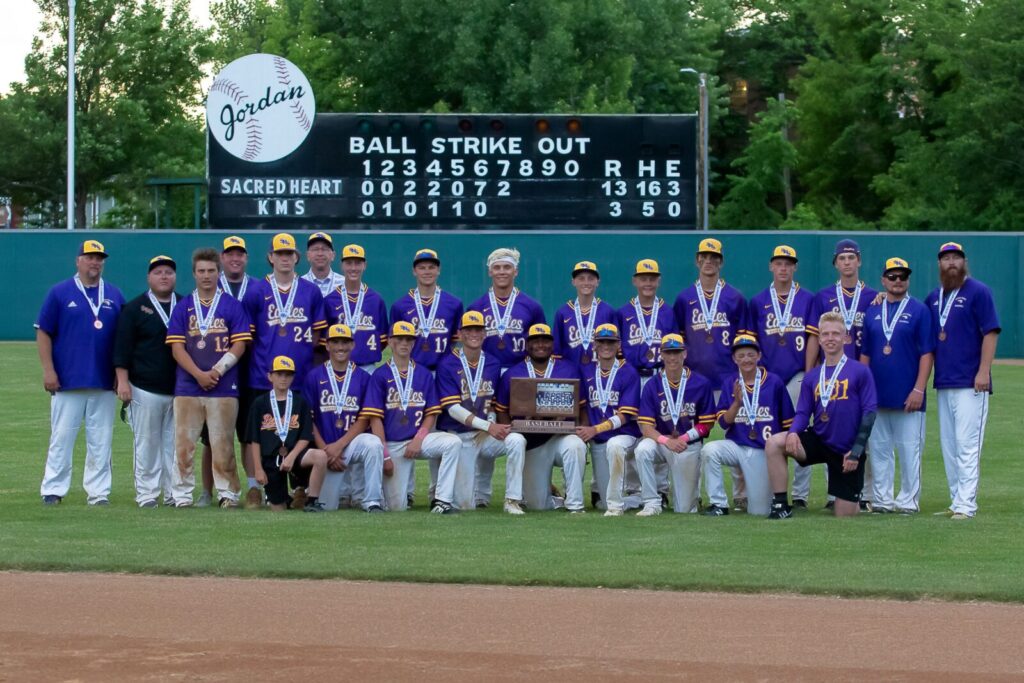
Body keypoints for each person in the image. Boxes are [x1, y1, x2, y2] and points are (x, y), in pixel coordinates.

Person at [37, 240, 125, 505]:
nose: (95, 262)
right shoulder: (60, 292)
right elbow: (43, 332)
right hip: (68, 379)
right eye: (89, 257)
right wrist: (49, 371)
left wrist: (121, 375)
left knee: (101, 440)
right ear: (78, 261)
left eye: (99, 258)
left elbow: (124, 338)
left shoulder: (114, 295)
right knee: (62, 437)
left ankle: (98, 493)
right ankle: (53, 489)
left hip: (103, 380)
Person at [765, 311, 878, 518]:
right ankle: (780, 505)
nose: (830, 338)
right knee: (774, 443)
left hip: (846, 449)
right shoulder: (813, 376)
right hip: (819, 439)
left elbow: (869, 414)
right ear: (819, 339)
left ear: (846, 338)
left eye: (836, 334)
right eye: (825, 334)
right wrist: (793, 432)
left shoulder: (860, 371)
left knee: (845, 515)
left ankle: (854, 499)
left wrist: (856, 450)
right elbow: (802, 412)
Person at [166, 248, 251, 508]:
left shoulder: (232, 305)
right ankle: (181, 495)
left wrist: (217, 371)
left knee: (222, 443)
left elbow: (240, 344)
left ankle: (228, 494)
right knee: (184, 444)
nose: (206, 276)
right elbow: (177, 348)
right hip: (187, 387)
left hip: (223, 386)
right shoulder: (183, 307)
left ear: (218, 272)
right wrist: (198, 374)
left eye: (211, 271)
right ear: (194, 274)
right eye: (201, 271)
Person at [925, 242, 1000, 520]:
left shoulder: (978, 291)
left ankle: (967, 505)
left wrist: (984, 371)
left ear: (964, 262)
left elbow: (991, 332)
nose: (951, 263)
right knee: (950, 446)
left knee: (967, 444)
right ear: (939, 264)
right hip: (944, 382)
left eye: (956, 258)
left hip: (971, 382)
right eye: (946, 259)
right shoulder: (934, 297)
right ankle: (956, 500)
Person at [805, 238, 879, 510]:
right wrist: (810, 371)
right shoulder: (823, 296)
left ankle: (866, 495)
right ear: (835, 263)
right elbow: (814, 337)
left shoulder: (873, 296)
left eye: (851, 257)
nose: (847, 262)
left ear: (859, 261)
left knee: (865, 437)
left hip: (861, 373)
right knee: (832, 433)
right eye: (842, 258)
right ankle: (833, 495)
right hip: (830, 376)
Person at [362, 321, 462, 512]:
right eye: (399, 339)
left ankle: (442, 501)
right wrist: (385, 456)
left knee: (453, 442)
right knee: (396, 508)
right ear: (390, 342)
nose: (404, 343)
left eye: (408, 339)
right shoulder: (380, 375)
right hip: (392, 444)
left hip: (419, 440)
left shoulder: (423, 374)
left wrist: (419, 439)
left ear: (414, 343)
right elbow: (375, 419)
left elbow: (431, 413)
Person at [860, 258, 934, 514]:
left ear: (908, 280)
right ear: (883, 280)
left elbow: (927, 353)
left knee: (910, 450)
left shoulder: (919, 310)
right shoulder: (872, 311)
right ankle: (882, 500)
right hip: (877, 396)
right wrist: (865, 392)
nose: (898, 280)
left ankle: (908, 501)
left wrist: (919, 389)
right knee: (879, 451)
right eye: (892, 276)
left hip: (908, 396)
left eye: (903, 276)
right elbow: (865, 354)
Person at [436, 311, 526, 511]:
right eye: (469, 330)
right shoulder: (447, 364)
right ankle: (471, 497)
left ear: (485, 333)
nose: (474, 334)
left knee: (516, 440)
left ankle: (512, 500)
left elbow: (492, 402)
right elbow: (453, 409)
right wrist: (488, 425)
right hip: (459, 437)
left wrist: (491, 421)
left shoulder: (493, 363)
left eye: (478, 329)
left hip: (484, 435)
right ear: (460, 334)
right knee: (465, 505)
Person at [747, 245, 815, 508]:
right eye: (779, 263)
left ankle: (800, 494)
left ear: (795, 267)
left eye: (788, 263)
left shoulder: (807, 298)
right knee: (768, 431)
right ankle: (771, 490)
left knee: (799, 432)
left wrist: (809, 374)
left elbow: (812, 338)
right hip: (767, 377)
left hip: (797, 374)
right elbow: (751, 343)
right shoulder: (758, 301)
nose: (783, 268)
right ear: (771, 266)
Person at [494, 324, 588, 513]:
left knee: (576, 446)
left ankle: (575, 505)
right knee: (537, 505)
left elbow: (582, 407)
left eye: (545, 341)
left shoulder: (569, 370)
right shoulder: (513, 373)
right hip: (532, 443)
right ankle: (553, 497)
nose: (540, 345)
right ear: (527, 345)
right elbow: (502, 410)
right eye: (535, 341)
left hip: (560, 437)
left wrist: (583, 433)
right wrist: (511, 430)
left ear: (552, 344)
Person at [113, 255, 181, 508]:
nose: (164, 276)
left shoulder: (185, 304)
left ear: (175, 277)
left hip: (179, 389)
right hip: (144, 387)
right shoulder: (134, 308)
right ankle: (147, 494)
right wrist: (122, 382)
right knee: (147, 443)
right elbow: (122, 348)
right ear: (148, 278)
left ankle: (173, 493)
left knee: (175, 445)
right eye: (158, 272)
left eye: (168, 272)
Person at [702, 335, 794, 517]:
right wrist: (736, 404)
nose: (746, 359)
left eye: (751, 354)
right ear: (734, 359)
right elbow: (723, 423)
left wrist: (780, 457)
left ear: (759, 356)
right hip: (736, 446)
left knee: (759, 511)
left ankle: (772, 500)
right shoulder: (730, 383)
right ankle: (718, 504)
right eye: (741, 355)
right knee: (710, 450)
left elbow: (787, 424)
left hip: (763, 450)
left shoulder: (774, 382)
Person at [302, 323, 387, 512]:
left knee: (374, 444)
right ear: (327, 345)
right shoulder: (314, 376)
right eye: (335, 342)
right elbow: (309, 421)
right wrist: (326, 451)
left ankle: (372, 501)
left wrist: (339, 446)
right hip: (325, 447)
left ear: (352, 345)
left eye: (345, 342)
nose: (340, 347)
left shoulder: (363, 377)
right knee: (327, 506)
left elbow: (364, 419)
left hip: (351, 443)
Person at [633, 334, 716, 516]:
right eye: (668, 352)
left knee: (685, 509)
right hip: (661, 442)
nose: (672, 357)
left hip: (688, 444)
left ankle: (692, 497)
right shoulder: (652, 385)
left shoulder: (701, 383)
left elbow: (707, 423)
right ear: (661, 354)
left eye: (676, 352)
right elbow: (646, 427)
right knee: (642, 449)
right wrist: (666, 441)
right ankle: (651, 502)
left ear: (684, 353)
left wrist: (684, 438)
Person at [208, 235, 261, 508]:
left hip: (251, 370)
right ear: (222, 258)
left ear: (246, 258)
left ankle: (253, 488)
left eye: (239, 254)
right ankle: (210, 491)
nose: (235, 258)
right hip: (217, 371)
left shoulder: (259, 288)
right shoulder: (210, 286)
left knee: (249, 434)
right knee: (213, 437)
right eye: (230, 254)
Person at [246, 355, 329, 512]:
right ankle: (287, 498)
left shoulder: (300, 402)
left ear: (293, 377)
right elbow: (254, 440)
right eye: (279, 374)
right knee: (278, 508)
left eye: (288, 374)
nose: (283, 378)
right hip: (272, 458)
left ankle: (312, 501)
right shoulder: (259, 403)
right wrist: (258, 469)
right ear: (270, 376)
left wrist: (291, 456)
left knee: (320, 456)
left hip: (296, 455)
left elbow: (305, 436)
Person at [575, 324, 641, 516]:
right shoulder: (587, 371)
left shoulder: (629, 372)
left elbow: (625, 416)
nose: (606, 346)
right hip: (599, 440)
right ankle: (636, 498)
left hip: (624, 436)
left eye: (611, 342)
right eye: (601, 341)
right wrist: (585, 429)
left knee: (615, 445)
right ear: (594, 344)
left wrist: (595, 429)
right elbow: (582, 405)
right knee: (604, 503)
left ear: (618, 344)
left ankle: (639, 498)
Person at [673, 238, 751, 389]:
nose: (708, 261)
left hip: (727, 377)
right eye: (704, 257)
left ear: (721, 262)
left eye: (713, 257)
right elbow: (678, 342)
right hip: (692, 378)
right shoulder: (684, 299)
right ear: (697, 261)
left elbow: (743, 343)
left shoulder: (735, 298)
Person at [468, 247, 546, 372]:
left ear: (515, 271)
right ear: (490, 272)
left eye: (507, 267)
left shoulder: (532, 307)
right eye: (497, 267)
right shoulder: (476, 308)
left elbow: (541, 344)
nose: (502, 272)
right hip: (484, 371)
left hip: (521, 371)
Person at [389, 249, 463, 373]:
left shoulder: (454, 304)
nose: (427, 272)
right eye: (422, 268)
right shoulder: (400, 306)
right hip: (412, 372)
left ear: (438, 270)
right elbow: (394, 342)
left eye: (431, 267)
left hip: (444, 372)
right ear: (414, 271)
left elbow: (456, 340)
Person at [323, 244, 389, 372]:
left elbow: (383, 339)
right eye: (349, 263)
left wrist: (365, 353)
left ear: (365, 265)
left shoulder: (376, 300)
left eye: (358, 263)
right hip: (337, 368)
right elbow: (324, 340)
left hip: (368, 367)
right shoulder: (330, 300)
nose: (353, 268)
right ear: (342, 266)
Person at [618, 259, 678, 384]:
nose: (648, 283)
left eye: (652, 279)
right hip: (631, 377)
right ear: (634, 281)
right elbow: (617, 349)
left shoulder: (668, 312)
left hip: (661, 377)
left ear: (659, 281)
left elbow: (675, 348)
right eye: (643, 279)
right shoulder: (623, 313)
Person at [552, 261, 619, 368]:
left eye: (591, 278)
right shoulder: (562, 313)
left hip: (599, 372)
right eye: (581, 278)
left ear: (597, 282)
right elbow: (557, 350)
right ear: (573, 282)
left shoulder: (608, 311)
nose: (586, 282)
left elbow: (616, 347)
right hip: (571, 373)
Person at [302, 232, 345, 296]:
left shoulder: (344, 283)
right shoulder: (299, 284)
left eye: (324, 249)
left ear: (333, 255)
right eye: (315, 249)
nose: (320, 254)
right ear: (308, 255)